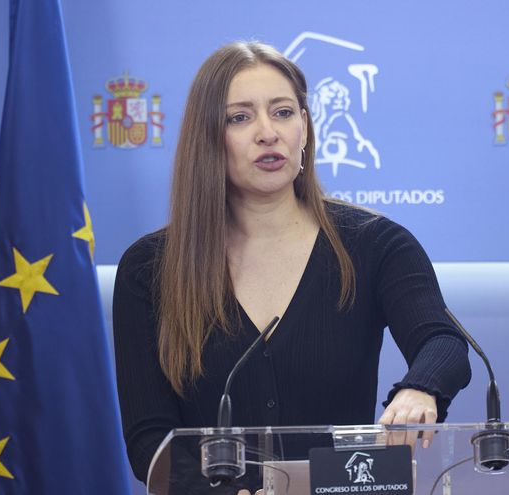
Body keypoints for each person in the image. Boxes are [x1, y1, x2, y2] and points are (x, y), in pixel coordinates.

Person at [112, 41, 472, 494]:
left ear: (304, 126)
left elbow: (442, 341)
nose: (268, 132)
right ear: (206, 137)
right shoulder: (149, 269)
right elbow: (150, 442)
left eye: (283, 112)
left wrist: (420, 389)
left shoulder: (375, 245)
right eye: (240, 118)